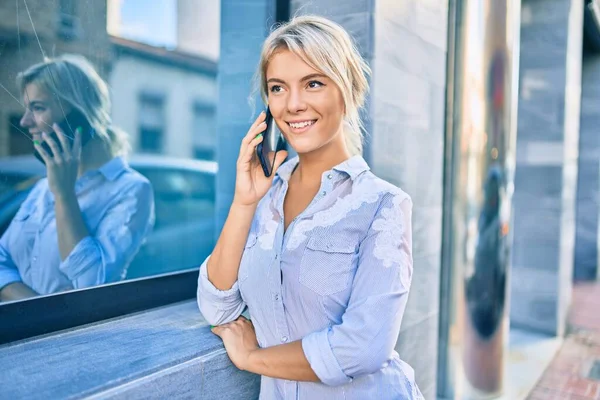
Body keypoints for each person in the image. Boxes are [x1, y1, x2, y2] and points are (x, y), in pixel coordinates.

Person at [197, 15, 423, 399]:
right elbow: (217, 306)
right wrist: (243, 201)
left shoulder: (382, 205)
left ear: (348, 91)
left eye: (313, 83)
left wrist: (252, 357)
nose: (294, 104)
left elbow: (363, 347)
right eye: (278, 88)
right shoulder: (264, 199)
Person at [0, 54, 155, 302]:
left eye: (38, 108)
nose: (24, 121)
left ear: (79, 118)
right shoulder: (44, 186)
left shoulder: (132, 190)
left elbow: (90, 286)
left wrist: (64, 196)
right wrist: (37, 308)